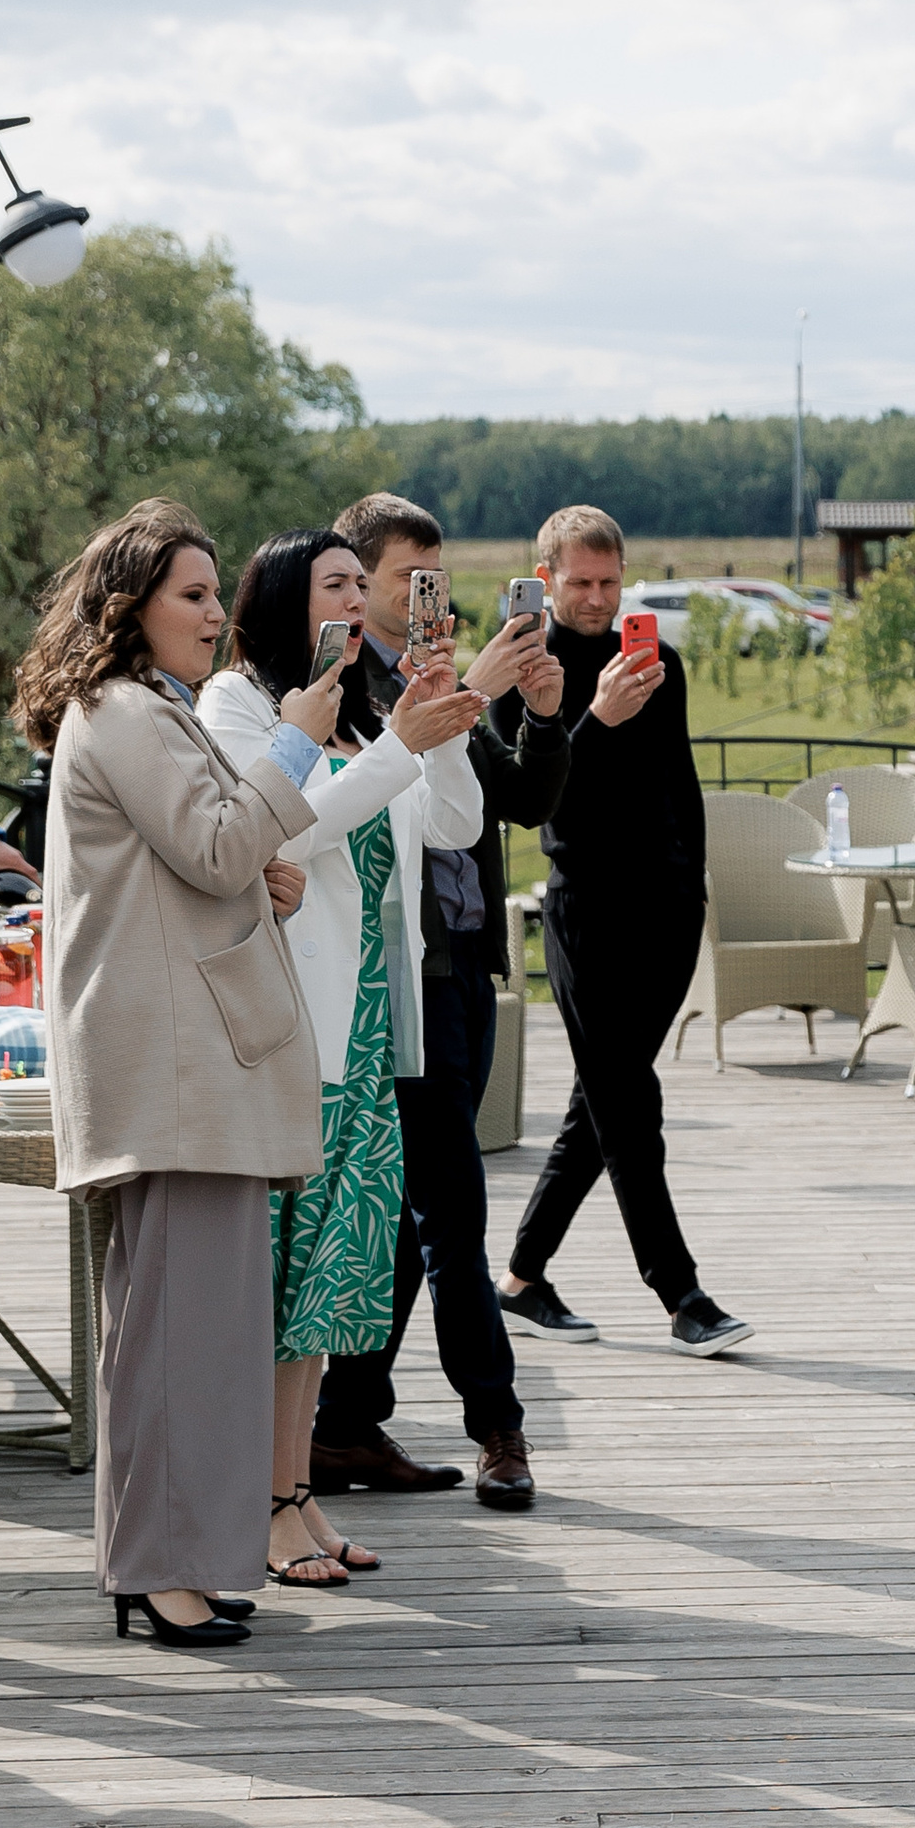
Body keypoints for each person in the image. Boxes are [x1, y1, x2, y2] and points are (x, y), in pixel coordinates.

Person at [22, 501, 341, 1652]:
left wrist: (264, 875)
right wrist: (296, 739)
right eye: (193, 596)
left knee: (197, 1333)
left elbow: (207, 855)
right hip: (173, 1078)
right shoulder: (122, 712)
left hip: (191, 1072)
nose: (215, 616)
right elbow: (214, 844)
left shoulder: (140, 709)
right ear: (132, 608)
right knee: (173, 1338)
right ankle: (158, 1571)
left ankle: (181, 1561)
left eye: (214, 595)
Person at [200, 533, 488, 1579]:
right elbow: (282, 835)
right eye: (336, 585)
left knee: (324, 1287)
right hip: (286, 1027)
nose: (359, 601)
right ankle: (263, 1504)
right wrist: (392, 748)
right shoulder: (239, 708)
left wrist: (436, 720)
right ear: (282, 599)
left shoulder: (370, 714)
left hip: (369, 1031)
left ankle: (296, 1496)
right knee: (275, 1289)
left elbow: (456, 824)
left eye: (361, 587)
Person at [309, 495, 569, 1515]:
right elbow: (367, 784)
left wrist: (540, 712)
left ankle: (347, 1418)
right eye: (409, 582)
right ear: (359, 583)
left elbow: (512, 802)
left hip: (462, 964)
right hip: (389, 984)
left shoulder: (432, 673)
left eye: (439, 583)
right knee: (452, 1213)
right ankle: (498, 1427)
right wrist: (465, 685)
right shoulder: (335, 678)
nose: (432, 601)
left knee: (418, 1212)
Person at [497, 505, 751, 1359]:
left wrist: (696, 892)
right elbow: (537, 802)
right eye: (581, 584)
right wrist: (593, 719)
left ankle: (524, 1278)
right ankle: (681, 1294)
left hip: (668, 911)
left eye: (611, 582)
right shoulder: (520, 669)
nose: (600, 599)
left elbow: (679, 787)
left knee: (601, 1101)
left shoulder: (659, 662)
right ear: (547, 581)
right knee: (629, 1105)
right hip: (585, 911)